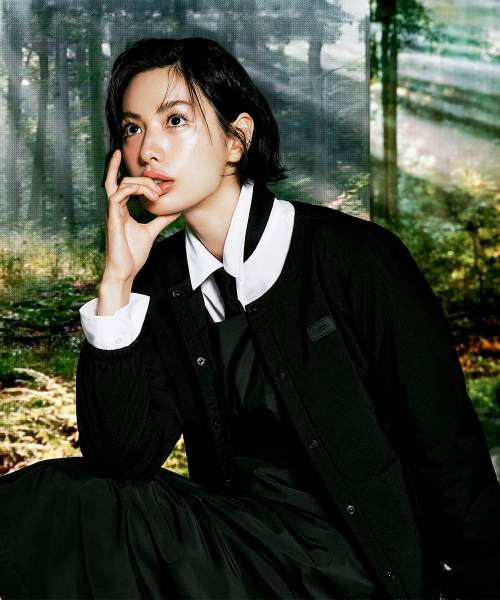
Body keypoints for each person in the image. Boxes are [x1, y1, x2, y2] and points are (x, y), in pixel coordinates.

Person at [0, 37, 499, 600]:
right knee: (60, 497)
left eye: (175, 120)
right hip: (242, 552)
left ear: (236, 140)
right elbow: (119, 462)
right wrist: (116, 282)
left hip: (366, 565)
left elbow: (445, 444)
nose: (148, 150)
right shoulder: (156, 282)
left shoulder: (354, 257)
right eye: (132, 128)